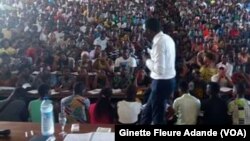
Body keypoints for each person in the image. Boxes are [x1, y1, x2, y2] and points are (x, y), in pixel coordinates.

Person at [140, 18, 176, 124]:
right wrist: (150, 52)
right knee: (147, 113)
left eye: (144, 30)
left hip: (161, 82)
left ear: (150, 31)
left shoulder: (158, 43)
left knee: (158, 118)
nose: (144, 33)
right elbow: (164, 57)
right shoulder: (166, 38)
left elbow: (159, 69)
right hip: (167, 81)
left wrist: (146, 60)